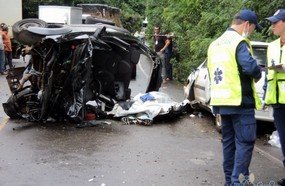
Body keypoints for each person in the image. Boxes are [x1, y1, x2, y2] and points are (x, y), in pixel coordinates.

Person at [207, 9, 262, 185]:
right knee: (245, 145)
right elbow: (250, 68)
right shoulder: (239, 42)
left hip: (221, 104)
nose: (251, 32)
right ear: (247, 24)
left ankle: (229, 182)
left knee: (229, 146)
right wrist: (258, 70)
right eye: (253, 28)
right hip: (240, 103)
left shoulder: (215, 44)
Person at [265, 9, 285, 186]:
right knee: (284, 141)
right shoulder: (271, 46)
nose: (272, 26)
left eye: (275, 23)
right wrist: (265, 96)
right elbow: (268, 76)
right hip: (278, 101)